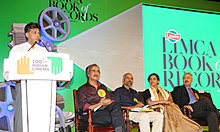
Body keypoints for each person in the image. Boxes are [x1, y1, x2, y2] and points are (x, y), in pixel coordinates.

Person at [10, 22, 48, 132]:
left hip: (40, 87)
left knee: (39, 116)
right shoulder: (17, 50)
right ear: (27, 34)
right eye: (35, 33)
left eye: (39, 33)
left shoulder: (43, 51)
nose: (38, 35)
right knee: (22, 116)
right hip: (23, 85)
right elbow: (11, 68)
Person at [77, 64, 126, 132]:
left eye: (98, 71)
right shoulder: (83, 89)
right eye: (94, 71)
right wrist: (99, 104)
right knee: (117, 117)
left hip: (104, 110)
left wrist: (109, 101)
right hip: (91, 114)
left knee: (116, 105)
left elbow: (111, 100)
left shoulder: (103, 87)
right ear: (88, 74)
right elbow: (83, 106)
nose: (96, 73)